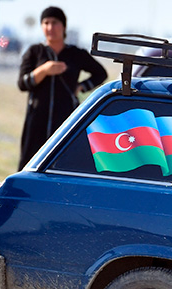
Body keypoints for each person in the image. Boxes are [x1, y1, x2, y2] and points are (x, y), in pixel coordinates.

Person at [17, 6, 107, 170]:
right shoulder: (34, 52)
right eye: (46, 23)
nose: (50, 27)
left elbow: (101, 73)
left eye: (55, 22)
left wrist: (81, 87)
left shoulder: (75, 53)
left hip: (66, 118)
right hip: (37, 119)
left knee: (64, 163)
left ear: (63, 26)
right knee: (30, 163)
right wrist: (44, 70)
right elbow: (23, 83)